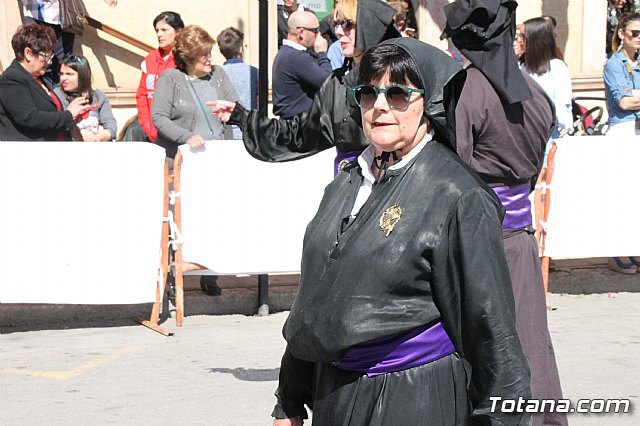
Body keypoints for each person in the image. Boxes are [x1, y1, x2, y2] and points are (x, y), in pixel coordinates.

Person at [270, 38, 531, 425]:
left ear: (427, 103)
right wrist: (290, 399)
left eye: (397, 94)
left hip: (413, 398)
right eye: (368, 93)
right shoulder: (347, 182)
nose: (379, 106)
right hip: (334, 395)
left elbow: (491, 328)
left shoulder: (457, 195)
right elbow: (316, 295)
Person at [442, 1, 568, 426]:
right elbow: (533, 172)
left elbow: (454, 170)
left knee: (482, 346)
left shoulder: (466, 91)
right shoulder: (539, 95)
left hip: (479, 243)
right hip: (520, 240)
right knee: (530, 341)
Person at [211, 0, 401, 176]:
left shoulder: (399, 79)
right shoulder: (337, 84)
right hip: (350, 183)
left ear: (369, 27)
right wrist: (242, 117)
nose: (339, 32)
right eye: (337, 23)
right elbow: (299, 133)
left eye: (348, 24)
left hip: (394, 183)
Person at [152, 25, 239, 296]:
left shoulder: (219, 75)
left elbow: (236, 106)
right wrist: (186, 137)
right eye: (204, 54)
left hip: (215, 162)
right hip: (180, 163)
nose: (210, 59)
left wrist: (232, 112)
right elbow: (159, 118)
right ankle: (169, 276)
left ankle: (209, 272)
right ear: (188, 57)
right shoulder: (171, 78)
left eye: (210, 53)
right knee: (177, 219)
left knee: (213, 217)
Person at [0, 23, 88, 141]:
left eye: (51, 56)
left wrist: (71, 118)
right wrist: (68, 115)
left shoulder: (36, 77)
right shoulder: (12, 78)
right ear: (28, 53)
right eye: (46, 56)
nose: (50, 62)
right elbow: (29, 118)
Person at [603, 11, 640, 273]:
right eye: (635, 33)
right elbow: (624, 102)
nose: (639, 38)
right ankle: (616, 251)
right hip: (624, 130)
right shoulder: (614, 65)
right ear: (622, 34)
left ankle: (632, 246)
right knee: (621, 193)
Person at [21, 0, 118, 87]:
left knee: (62, 66)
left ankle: (58, 103)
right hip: (35, 14)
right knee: (39, 65)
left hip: (63, 17)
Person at [132, 11, 185, 143]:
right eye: (157, 30)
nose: (159, 34)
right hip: (151, 131)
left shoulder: (184, 60)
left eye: (164, 30)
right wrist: (148, 126)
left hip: (177, 130)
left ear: (178, 31)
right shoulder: (150, 59)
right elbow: (142, 95)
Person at [519, 17, 573, 144]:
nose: (520, 41)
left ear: (535, 39)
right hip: (525, 134)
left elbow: (563, 101)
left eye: (523, 36)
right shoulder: (519, 67)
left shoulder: (557, 67)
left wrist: (564, 123)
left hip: (551, 135)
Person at [272, 11, 332, 118]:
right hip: (298, 127)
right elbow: (329, 83)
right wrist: (322, 53)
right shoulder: (296, 57)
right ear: (301, 33)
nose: (319, 35)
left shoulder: (287, 53)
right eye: (316, 31)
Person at [54, 55, 117, 141]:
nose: (63, 78)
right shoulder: (56, 96)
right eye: (61, 74)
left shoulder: (98, 97)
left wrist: (100, 137)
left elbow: (111, 125)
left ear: (82, 75)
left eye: (69, 74)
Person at [217, 27, 258, 139]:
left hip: (226, 131)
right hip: (250, 129)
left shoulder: (217, 74)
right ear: (240, 49)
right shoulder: (253, 72)